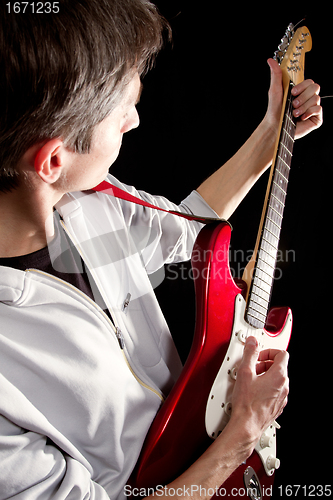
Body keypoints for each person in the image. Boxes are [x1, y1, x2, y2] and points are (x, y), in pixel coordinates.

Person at [0, 1, 322, 499]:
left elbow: (187, 227)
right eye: (120, 111)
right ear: (53, 159)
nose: (133, 121)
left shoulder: (88, 203)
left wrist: (273, 133)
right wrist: (241, 435)